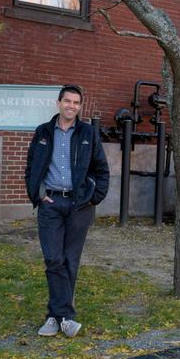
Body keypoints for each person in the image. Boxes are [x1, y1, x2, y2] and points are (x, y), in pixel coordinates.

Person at [25, 85, 109, 337]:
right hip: (50, 204)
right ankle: (63, 316)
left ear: (79, 107)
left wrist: (93, 198)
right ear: (58, 103)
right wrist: (39, 195)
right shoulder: (43, 132)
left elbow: (101, 169)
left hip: (78, 206)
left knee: (70, 261)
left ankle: (56, 316)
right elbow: (32, 166)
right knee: (53, 259)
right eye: (67, 101)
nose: (71, 106)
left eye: (76, 102)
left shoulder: (87, 133)